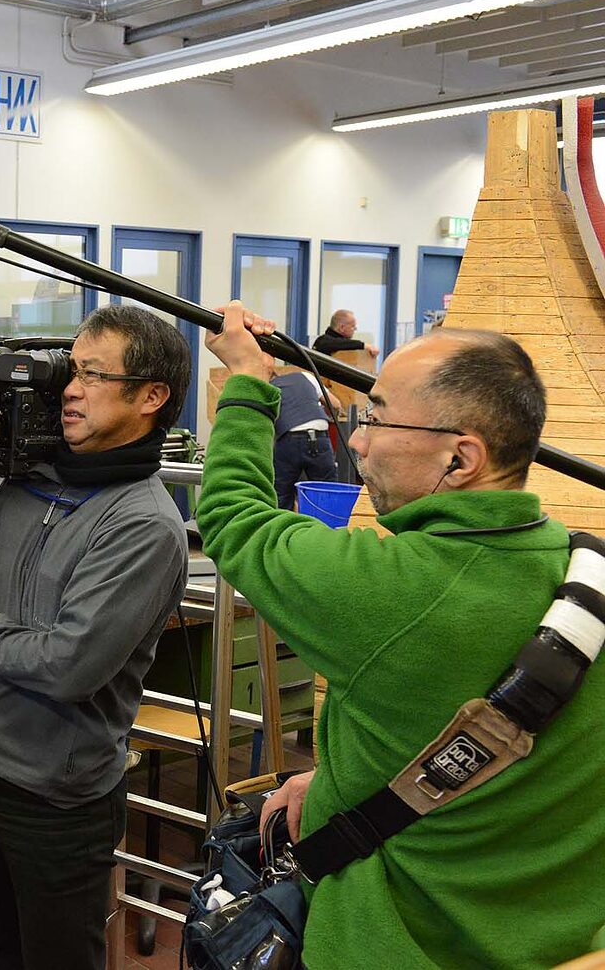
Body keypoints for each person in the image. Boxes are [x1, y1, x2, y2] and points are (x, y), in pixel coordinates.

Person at [197, 302, 605, 968]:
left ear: (460, 457)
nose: (357, 441)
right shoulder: (586, 573)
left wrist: (247, 381)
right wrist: (335, 783)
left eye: (379, 419)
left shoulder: (389, 587)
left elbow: (233, 519)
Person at [0, 304, 191, 970]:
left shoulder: (143, 526)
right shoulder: (31, 489)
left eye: (91, 376)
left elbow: (68, 666)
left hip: (56, 799)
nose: (69, 391)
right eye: (68, 373)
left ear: (151, 397)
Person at [267, 366, 341, 510]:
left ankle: (283, 529)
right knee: (327, 492)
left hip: (288, 440)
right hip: (319, 437)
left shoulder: (269, 388)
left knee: (281, 494)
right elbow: (336, 404)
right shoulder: (307, 377)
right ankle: (328, 528)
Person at [312, 308, 380, 359]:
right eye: (353, 326)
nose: (355, 329)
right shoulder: (323, 341)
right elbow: (338, 343)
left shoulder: (344, 345)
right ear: (342, 327)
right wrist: (364, 345)